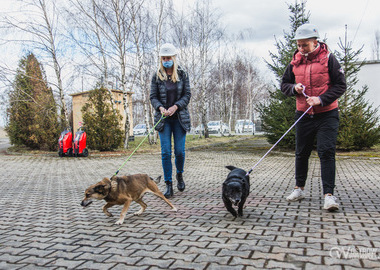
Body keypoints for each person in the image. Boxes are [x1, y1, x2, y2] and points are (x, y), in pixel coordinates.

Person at [281, 24, 346, 211]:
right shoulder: (295, 61)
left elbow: (341, 85)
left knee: (326, 152)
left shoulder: (329, 59)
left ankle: (329, 196)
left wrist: (321, 99)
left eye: (305, 45)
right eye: (299, 45)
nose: (301, 49)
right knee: (301, 153)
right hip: (303, 114)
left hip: (327, 114)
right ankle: (299, 188)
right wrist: (294, 88)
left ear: (315, 42)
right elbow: (284, 84)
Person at [150, 43, 191, 198]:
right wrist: (161, 108)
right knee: (166, 152)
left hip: (180, 119)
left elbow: (187, 95)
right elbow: (153, 97)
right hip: (164, 120)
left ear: (174, 58)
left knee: (179, 152)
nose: (166, 60)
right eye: (163, 58)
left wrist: (175, 107)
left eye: (168, 58)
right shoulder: (157, 75)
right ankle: (169, 185)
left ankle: (179, 174)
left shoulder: (183, 74)